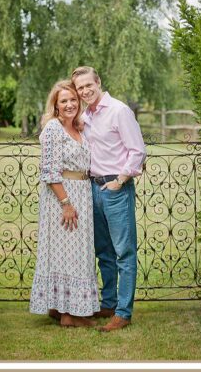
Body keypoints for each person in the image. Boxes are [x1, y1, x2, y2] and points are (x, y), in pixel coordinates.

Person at [72, 66, 146, 332]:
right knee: (103, 251)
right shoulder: (86, 116)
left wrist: (121, 181)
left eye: (88, 85)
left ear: (98, 82)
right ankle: (109, 302)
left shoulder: (119, 111)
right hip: (93, 188)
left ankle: (123, 313)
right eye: (80, 88)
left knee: (123, 252)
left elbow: (137, 151)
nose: (85, 91)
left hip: (116, 188)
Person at [29, 80, 99, 327]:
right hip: (63, 197)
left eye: (73, 100)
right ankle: (70, 315)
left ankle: (59, 308)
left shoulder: (78, 128)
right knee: (66, 254)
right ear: (56, 106)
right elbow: (49, 172)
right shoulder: (53, 129)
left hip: (82, 192)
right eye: (64, 101)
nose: (69, 105)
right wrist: (66, 204)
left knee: (78, 253)